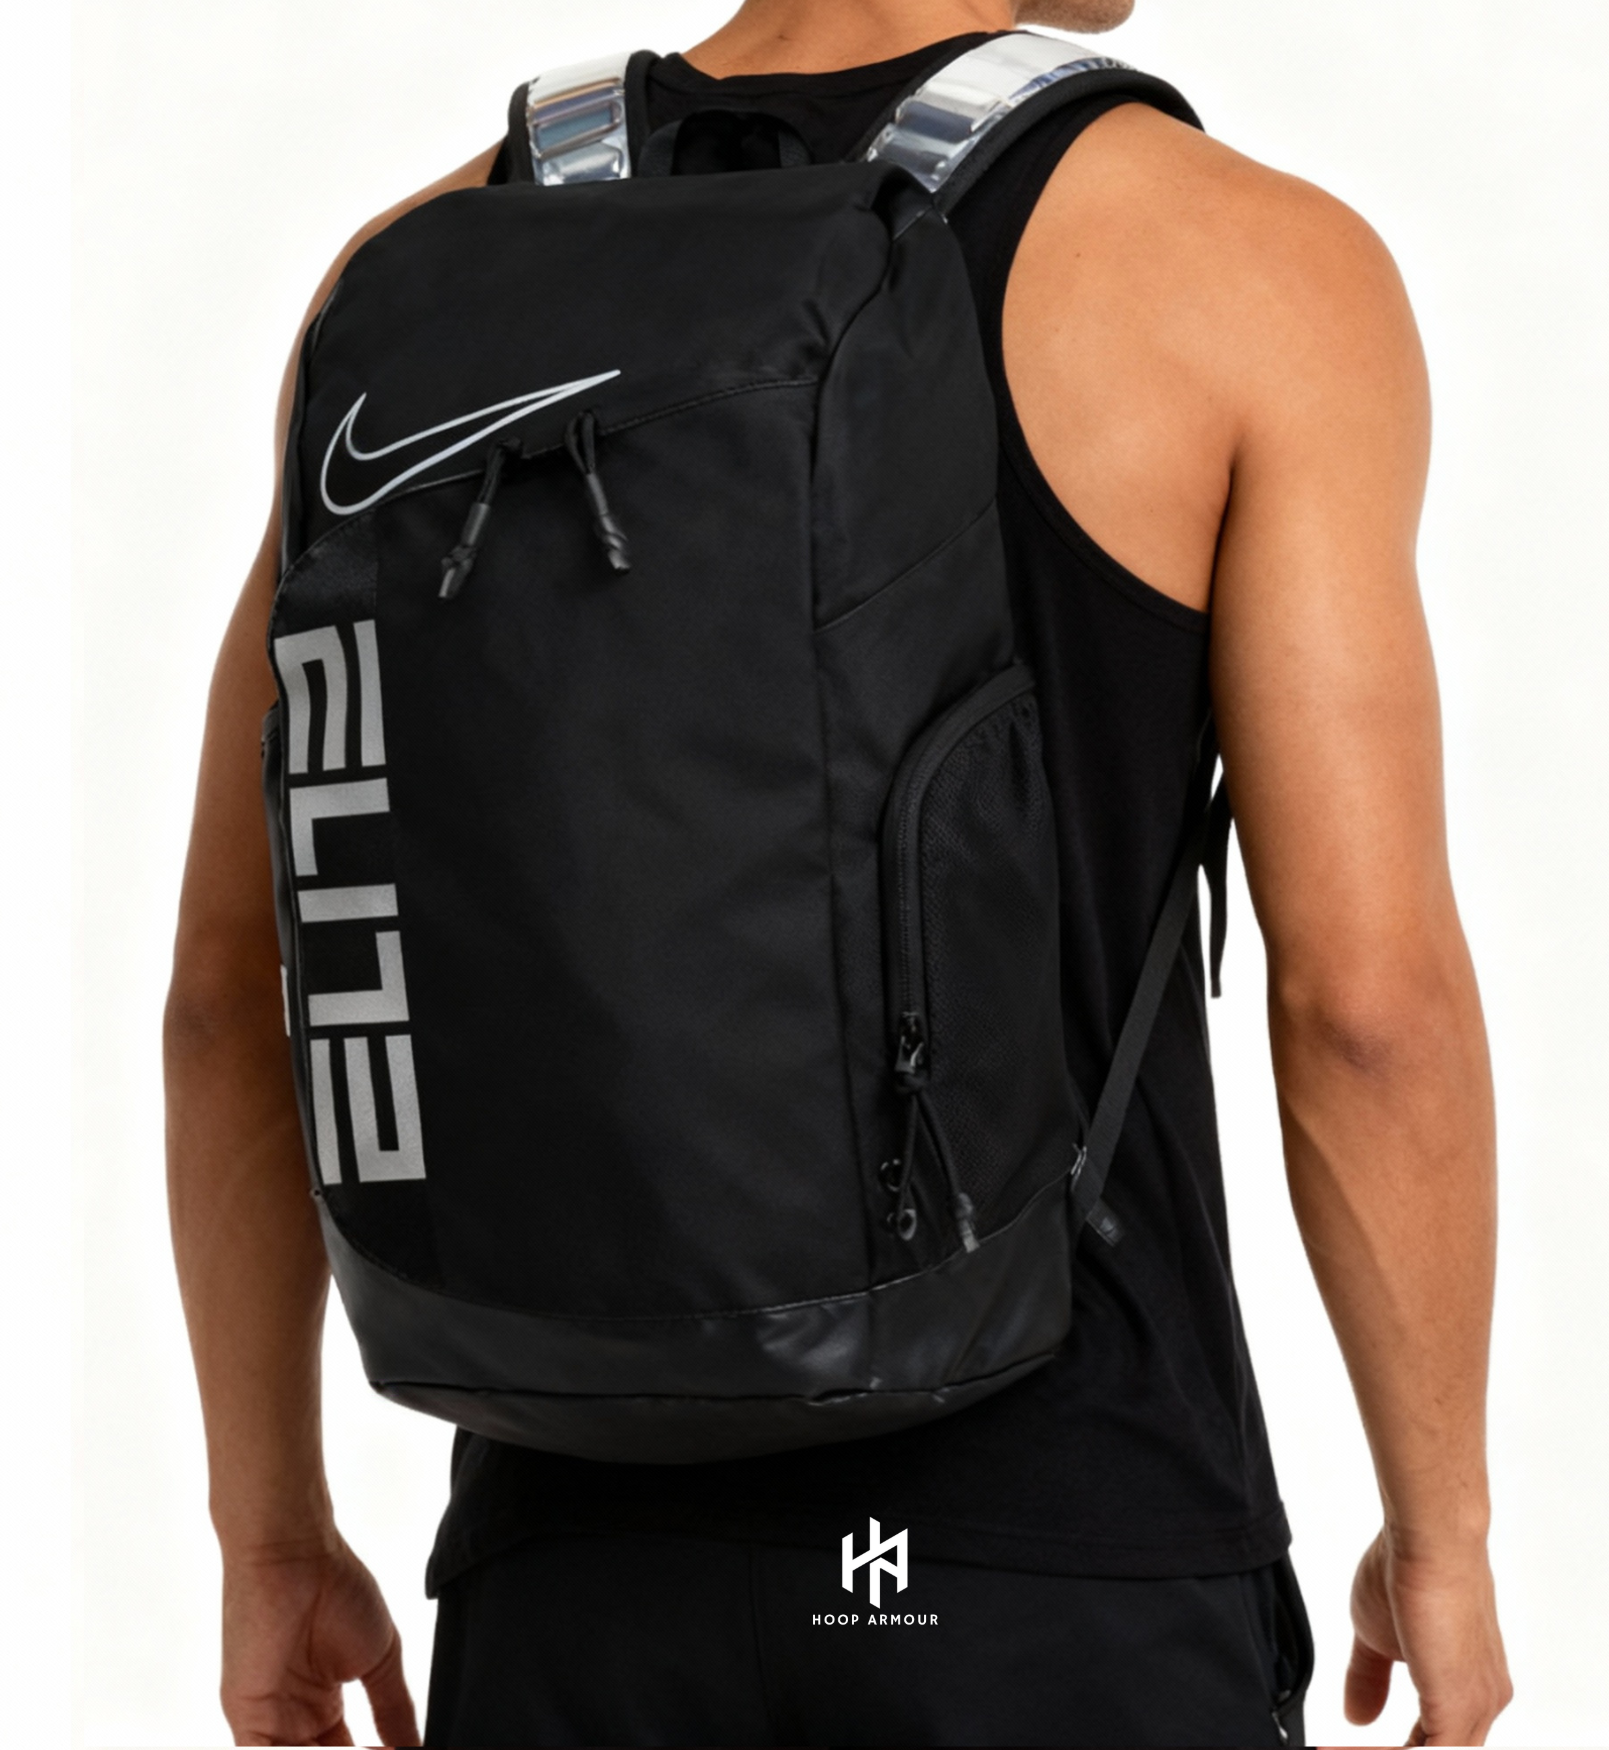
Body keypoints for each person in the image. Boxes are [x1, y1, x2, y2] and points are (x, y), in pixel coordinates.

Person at [165, 0, 1514, 1743]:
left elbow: (237, 992)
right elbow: (1365, 1007)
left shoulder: (422, 271)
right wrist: (1443, 1531)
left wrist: (270, 1533)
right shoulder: (1248, 267)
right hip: (1065, 1556)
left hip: (571, 1555)